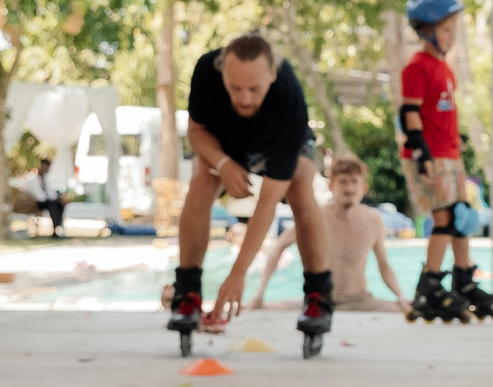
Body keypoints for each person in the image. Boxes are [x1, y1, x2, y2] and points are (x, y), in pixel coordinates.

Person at [164, 32, 336, 354]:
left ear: (272, 75)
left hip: (278, 144)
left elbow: (267, 203)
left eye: (254, 89)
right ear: (222, 72)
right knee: (201, 180)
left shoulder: (289, 99)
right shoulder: (206, 70)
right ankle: (187, 293)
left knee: (300, 189)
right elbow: (197, 131)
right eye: (235, 88)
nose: (244, 99)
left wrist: (238, 272)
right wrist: (223, 162)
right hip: (226, 144)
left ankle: (319, 297)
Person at [396, 0, 493, 322]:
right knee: (444, 219)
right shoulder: (417, 67)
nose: (451, 37)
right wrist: (423, 154)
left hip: (450, 154)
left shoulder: (444, 68)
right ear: (425, 31)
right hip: (429, 156)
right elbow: (409, 113)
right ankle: (428, 285)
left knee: (460, 217)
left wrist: (460, 141)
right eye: (445, 30)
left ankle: (462, 278)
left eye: (453, 30)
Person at [258, 152, 408, 315]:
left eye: (354, 182)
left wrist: (401, 297)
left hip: (360, 301)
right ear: (331, 186)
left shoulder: (373, 220)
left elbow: (384, 265)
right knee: (259, 310)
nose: (349, 188)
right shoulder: (315, 217)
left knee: (410, 313)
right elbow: (278, 248)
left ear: (363, 187)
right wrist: (260, 295)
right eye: (343, 182)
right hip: (317, 300)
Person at [17, 156, 68, 238]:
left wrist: (58, 199)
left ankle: (57, 228)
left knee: (59, 204)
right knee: (52, 204)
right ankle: (57, 228)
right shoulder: (33, 178)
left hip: (45, 201)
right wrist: (53, 199)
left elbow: (50, 192)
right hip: (34, 202)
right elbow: (39, 196)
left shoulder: (45, 178)